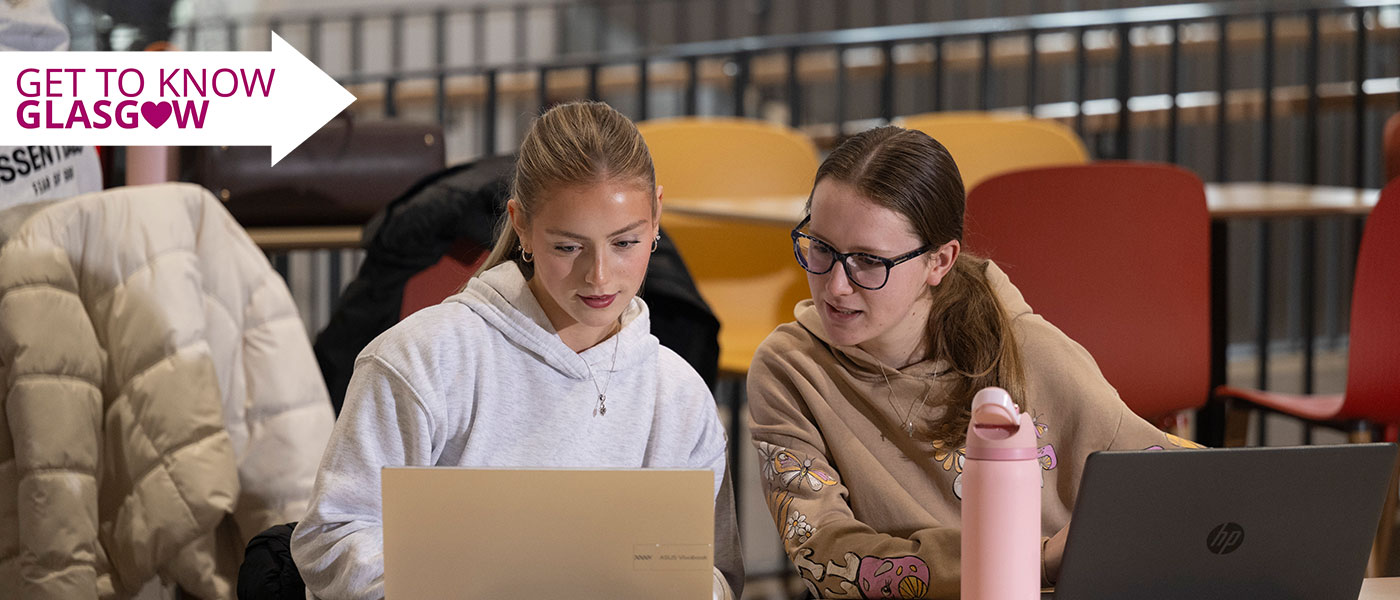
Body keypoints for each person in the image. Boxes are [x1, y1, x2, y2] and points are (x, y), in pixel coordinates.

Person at [291, 101, 742, 599]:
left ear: (656, 216)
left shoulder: (678, 395)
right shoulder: (422, 360)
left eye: (625, 243)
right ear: (521, 224)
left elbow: (717, 576)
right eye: (568, 247)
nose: (599, 275)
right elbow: (331, 538)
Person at [746, 125, 1198, 599]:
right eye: (821, 247)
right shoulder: (788, 369)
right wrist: (1034, 559)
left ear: (939, 262)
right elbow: (825, 556)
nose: (835, 286)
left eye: (867, 261)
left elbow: (1170, 481)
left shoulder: (1023, 344)